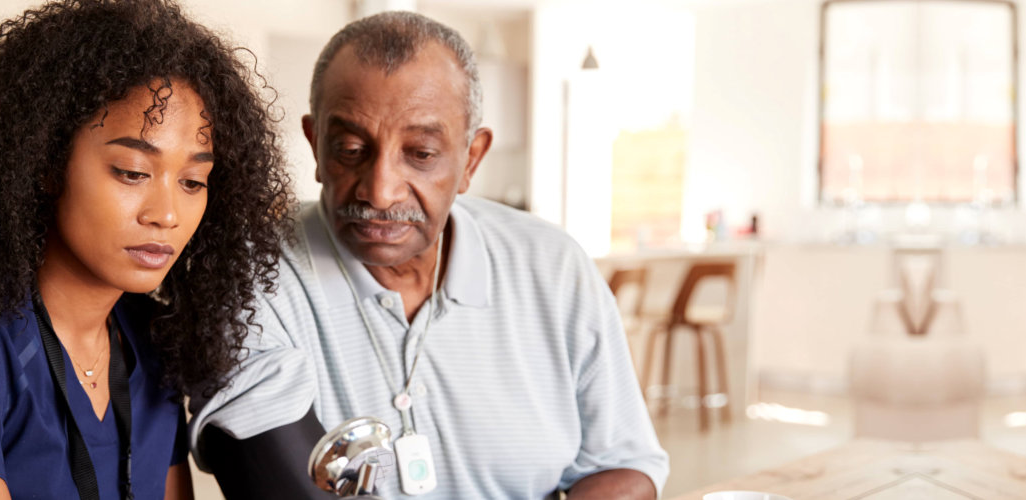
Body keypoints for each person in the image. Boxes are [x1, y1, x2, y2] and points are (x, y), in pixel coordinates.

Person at [190, 11, 669, 499]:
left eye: (420, 154)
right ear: (316, 145)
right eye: (351, 148)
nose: (380, 192)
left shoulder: (554, 268)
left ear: (471, 158)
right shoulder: (248, 277)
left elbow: (624, 466)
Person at [0, 1, 294, 499]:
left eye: (194, 180)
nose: (167, 214)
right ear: (44, 165)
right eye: (133, 172)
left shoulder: (150, 343)